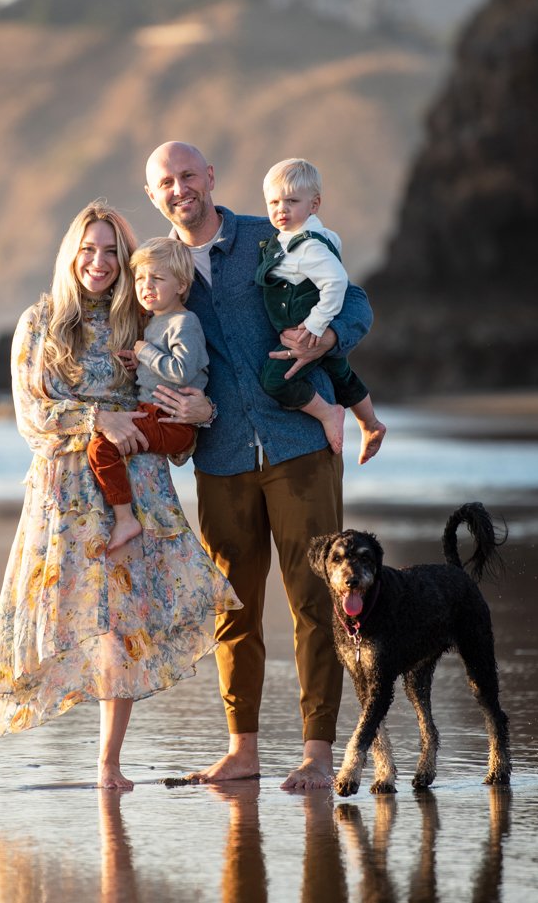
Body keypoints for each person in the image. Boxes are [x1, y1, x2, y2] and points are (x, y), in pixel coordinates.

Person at [0, 199, 239, 792]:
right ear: (70, 255)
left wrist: (200, 412)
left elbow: (172, 397)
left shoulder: (142, 321)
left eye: (112, 252)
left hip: (137, 488)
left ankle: (109, 766)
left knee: (122, 627)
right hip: (64, 495)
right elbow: (31, 417)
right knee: (29, 619)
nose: (100, 262)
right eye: (89, 250)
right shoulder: (42, 321)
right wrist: (97, 419)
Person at [142, 141, 373, 791]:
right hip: (219, 459)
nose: (180, 188)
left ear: (211, 178)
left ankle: (318, 752)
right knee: (234, 608)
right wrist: (179, 406)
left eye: (190, 175)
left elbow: (355, 303)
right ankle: (242, 750)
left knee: (317, 600)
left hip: (300, 443)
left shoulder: (272, 234)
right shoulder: (158, 269)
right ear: (153, 195)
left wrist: (326, 339)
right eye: (167, 182)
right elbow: (152, 360)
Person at [256, 158, 386, 465]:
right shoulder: (306, 237)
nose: (281, 210)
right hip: (313, 331)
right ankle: (371, 423)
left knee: (275, 380)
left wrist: (315, 327)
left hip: (305, 333)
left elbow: (338, 282)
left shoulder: (308, 246)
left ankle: (328, 413)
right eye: (273, 202)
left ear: (314, 204)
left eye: (291, 201)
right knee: (340, 373)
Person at [87, 237, 209, 552]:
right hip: (155, 413)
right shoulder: (156, 321)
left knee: (101, 449)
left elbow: (181, 370)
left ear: (181, 285)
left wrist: (145, 351)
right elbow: (158, 368)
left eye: (157, 278)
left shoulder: (185, 322)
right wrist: (138, 359)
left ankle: (125, 519)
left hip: (173, 422)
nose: (146, 285)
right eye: (140, 278)